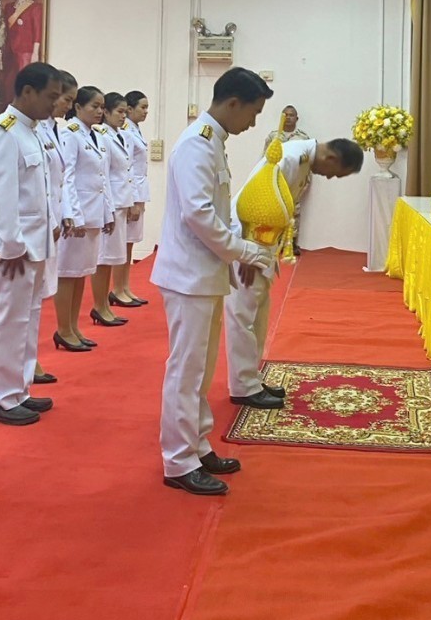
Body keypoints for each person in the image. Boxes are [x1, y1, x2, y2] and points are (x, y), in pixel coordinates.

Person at [153, 67, 274, 497]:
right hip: (188, 275)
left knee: (201, 371)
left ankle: (198, 444)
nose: (253, 123)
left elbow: (219, 212)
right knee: (186, 370)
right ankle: (178, 460)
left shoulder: (213, 142)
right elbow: (199, 215)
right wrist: (243, 252)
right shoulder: (196, 144)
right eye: (253, 113)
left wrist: (235, 251)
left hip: (204, 273)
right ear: (233, 103)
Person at [225, 137, 363, 408]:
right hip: (248, 244)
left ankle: (251, 379)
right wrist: (245, 253)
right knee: (242, 317)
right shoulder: (289, 158)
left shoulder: (302, 160)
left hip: (263, 247)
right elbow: (253, 201)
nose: (330, 177)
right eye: (336, 174)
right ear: (332, 158)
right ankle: (242, 387)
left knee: (258, 315)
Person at [0, 63, 61, 426]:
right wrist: (10, 245)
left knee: (28, 319)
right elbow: (2, 195)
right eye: (50, 96)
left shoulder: (34, 131)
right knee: (7, 320)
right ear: (27, 91)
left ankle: (19, 389)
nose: (54, 104)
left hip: (36, 242)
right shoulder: (6, 132)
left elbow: (43, 190)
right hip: (17, 247)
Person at [53, 86, 114, 351]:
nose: (100, 111)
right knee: (68, 273)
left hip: (94, 212)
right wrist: (73, 215)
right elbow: (67, 176)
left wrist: (108, 212)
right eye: (94, 106)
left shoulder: (97, 135)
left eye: (102, 107)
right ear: (78, 107)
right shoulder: (70, 134)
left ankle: (74, 326)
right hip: (77, 215)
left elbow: (103, 177)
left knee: (82, 274)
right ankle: (63, 329)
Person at [33, 70, 77, 385]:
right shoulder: (27, 128)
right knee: (19, 310)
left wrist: (62, 215)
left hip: (49, 224)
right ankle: (15, 376)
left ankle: (26, 366)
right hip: (31, 231)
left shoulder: (52, 129)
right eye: (63, 98)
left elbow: (58, 180)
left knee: (35, 302)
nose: (65, 105)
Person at [90, 92, 133, 328]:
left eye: (125, 112)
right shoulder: (102, 136)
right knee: (104, 258)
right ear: (106, 112)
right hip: (111, 203)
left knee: (113, 257)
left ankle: (105, 304)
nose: (123, 116)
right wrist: (107, 207)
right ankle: (99, 305)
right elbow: (103, 175)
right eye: (119, 111)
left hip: (121, 201)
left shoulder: (119, 135)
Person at [111, 89, 150, 308]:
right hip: (130, 193)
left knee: (130, 244)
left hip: (138, 191)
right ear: (130, 109)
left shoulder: (135, 130)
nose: (146, 112)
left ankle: (125, 286)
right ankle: (118, 288)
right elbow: (128, 168)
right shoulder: (126, 131)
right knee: (123, 245)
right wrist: (133, 200)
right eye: (142, 107)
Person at [264, 105, 312, 253]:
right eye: (285, 115)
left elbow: (307, 162)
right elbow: (265, 159)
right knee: (275, 210)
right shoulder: (273, 137)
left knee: (294, 210)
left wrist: (306, 180)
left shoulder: (303, 138)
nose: (288, 117)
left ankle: (292, 242)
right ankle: (274, 241)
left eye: (291, 115)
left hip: (295, 179)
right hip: (276, 178)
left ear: (297, 118)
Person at [1, 0, 44, 104]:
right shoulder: (9, 7)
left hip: (26, 52)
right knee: (9, 83)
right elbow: (4, 30)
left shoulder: (35, 8)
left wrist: (35, 53)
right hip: (10, 52)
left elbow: (38, 31)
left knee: (24, 82)